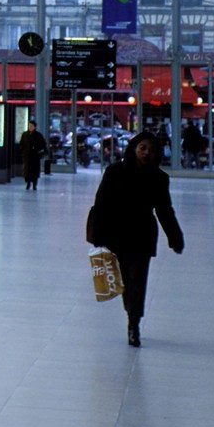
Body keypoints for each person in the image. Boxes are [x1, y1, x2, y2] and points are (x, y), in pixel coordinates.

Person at [87, 131, 184, 347]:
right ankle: (131, 310)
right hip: (116, 234)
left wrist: (175, 237)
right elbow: (101, 203)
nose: (146, 153)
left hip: (142, 236)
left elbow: (164, 210)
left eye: (151, 149)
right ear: (134, 149)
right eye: (142, 148)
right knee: (125, 282)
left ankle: (133, 323)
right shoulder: (114, 172)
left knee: (138, 280)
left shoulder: (159, 179)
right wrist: (98, 235)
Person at [19, 119, 47, 190]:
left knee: (34, 170)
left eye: (31, 126)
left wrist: (39, 151)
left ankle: (34, 184)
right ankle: (28, 183)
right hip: (27, 156)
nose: (30, 127)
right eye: (29, 126)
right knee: (27, 170)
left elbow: (43, 144)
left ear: (34, 127)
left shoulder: (38, 135)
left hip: (35, 156)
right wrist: (23, 151)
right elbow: (21, 144)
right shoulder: (25, 134)